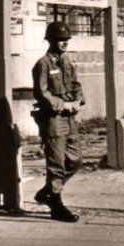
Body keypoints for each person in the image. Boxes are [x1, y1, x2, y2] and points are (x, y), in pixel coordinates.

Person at [31, 21, 85, 223]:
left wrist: (79, 100)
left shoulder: (67, 61)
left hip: (70, 118)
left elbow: (76, 83)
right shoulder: (43, 64)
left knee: (75, 160)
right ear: (50, 41)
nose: (63, 43)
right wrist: (62, 105)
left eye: (65, 40)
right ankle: (56, 204)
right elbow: (41, 92)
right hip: (53, 118)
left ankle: (47, 191)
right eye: (59, 40)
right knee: (56, 164)